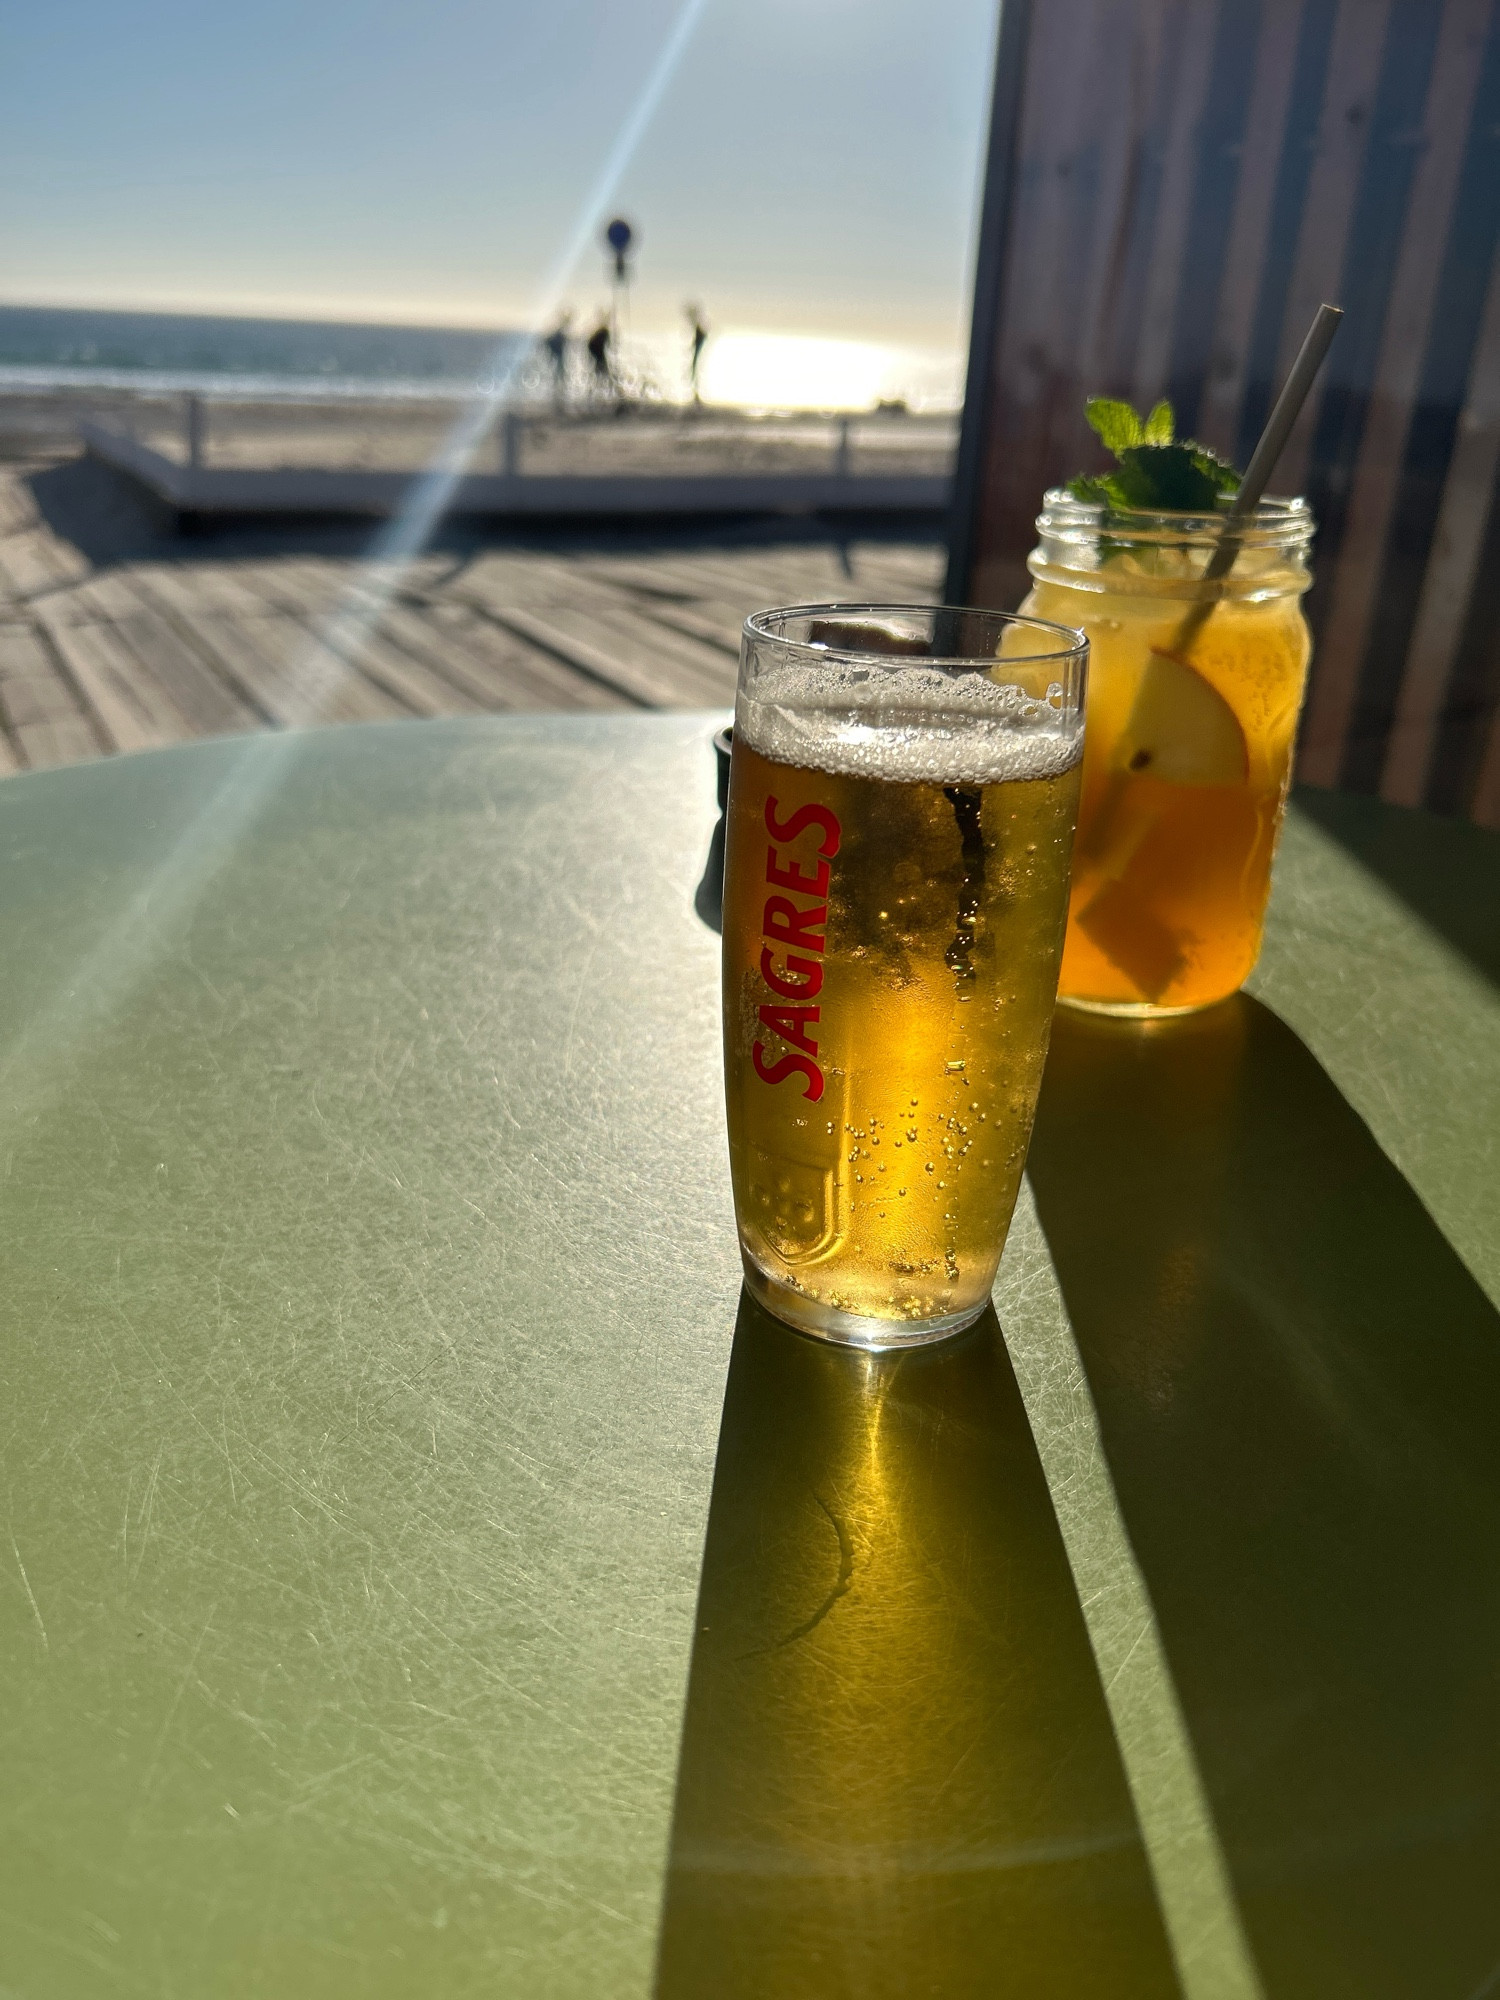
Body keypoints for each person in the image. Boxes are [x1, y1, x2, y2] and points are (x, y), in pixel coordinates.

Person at [542, 311, 571, 406]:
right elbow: (561, 343)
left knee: (559, 373)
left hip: (558, 354)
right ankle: (558, 392)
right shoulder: (560, 333)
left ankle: (558, 391)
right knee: (559, 373)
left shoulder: (559, 332)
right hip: (558, 354)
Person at [685, 302, 709, 402]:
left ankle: (695, 393)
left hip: (697, 351)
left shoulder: (699, 330)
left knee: (694, 369)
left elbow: (698, 339)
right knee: (693, 369)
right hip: (697, 349)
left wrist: (693, 345)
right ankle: (695, 393)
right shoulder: (699, 330)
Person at [586, 319, 613, 397]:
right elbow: (607, 344)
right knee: (602, 368)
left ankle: (597, 385)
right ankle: (600, 385)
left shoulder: (600, 333)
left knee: (599, 368)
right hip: (597, 352)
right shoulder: (604, 333)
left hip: (596, 351)